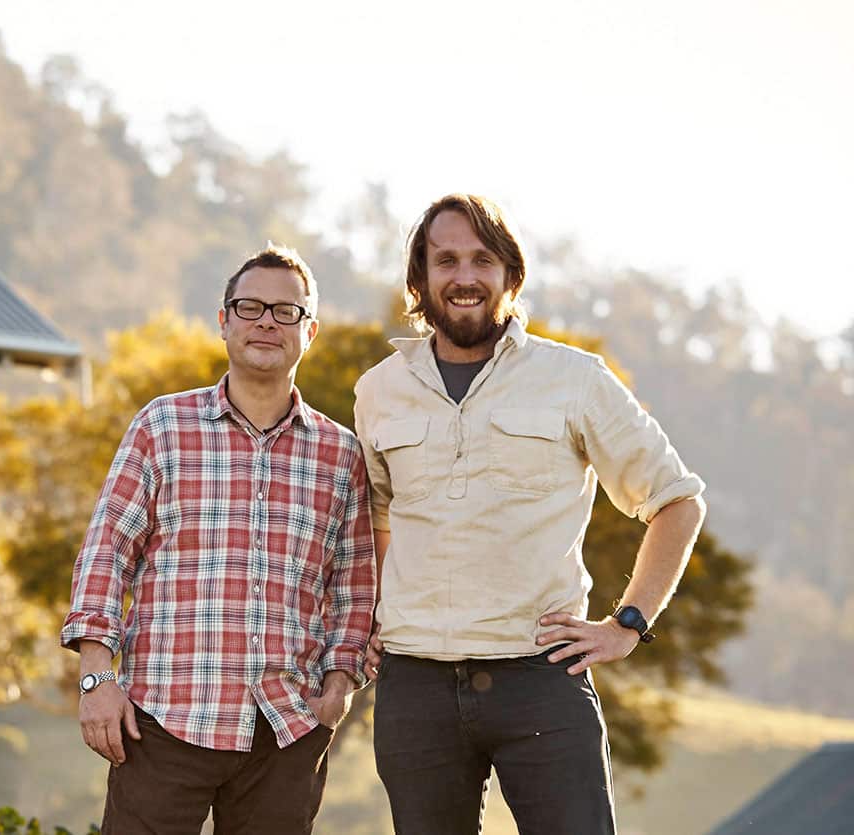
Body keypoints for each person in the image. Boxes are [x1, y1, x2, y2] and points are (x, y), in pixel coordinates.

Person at [353, 193, 707, 834]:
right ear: (420, 280)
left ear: (510, 277)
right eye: (446, 260)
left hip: (540, 675)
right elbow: (381, 516)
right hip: (415, 687)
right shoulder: (378, 390)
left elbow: (677, 501)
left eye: (483, 260)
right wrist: (378, 614)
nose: (464, 277)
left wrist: (628, 624)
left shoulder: (574, 379)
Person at [61, 245, 376, 834]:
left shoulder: (342, 455)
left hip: (286, 730)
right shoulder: (162, 427)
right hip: (159, 722)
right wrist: (97, 678)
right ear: (223, 320)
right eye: (250, 306)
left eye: (286, 312)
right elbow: (107, 553)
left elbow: (357, 585)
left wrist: (338, 686)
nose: (266, 322)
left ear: (311, 331)